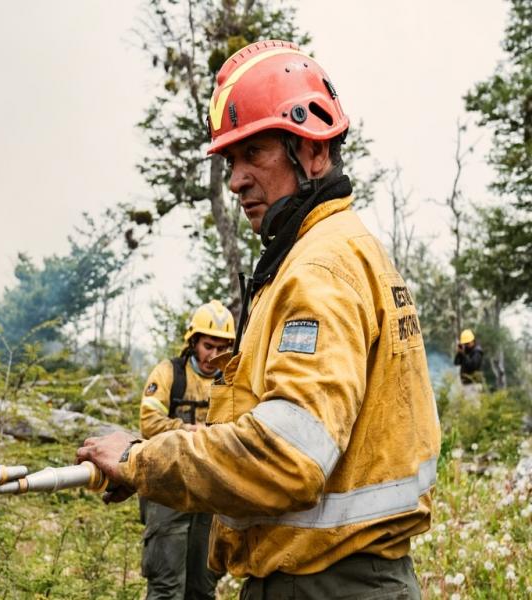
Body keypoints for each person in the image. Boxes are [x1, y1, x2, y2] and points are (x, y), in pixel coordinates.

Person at [78, 39, 441, 599]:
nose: (236, 179)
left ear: (313, 152)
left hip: (325, 585)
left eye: (255, 153)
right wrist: (148, 467)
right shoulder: (339, 251)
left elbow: (286, 456)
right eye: (230, 161)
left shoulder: (319, 267)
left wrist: (139, 459)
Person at [138, 300, 235, 600]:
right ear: (193, 341)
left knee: (202, 589)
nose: (214, 355)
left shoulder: (232, 383)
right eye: (208, 345)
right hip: (168, 487)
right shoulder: (169, 374)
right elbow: (149, 422)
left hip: (210, 492)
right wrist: (189, 431)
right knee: (167, 587)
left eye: (222, 348)